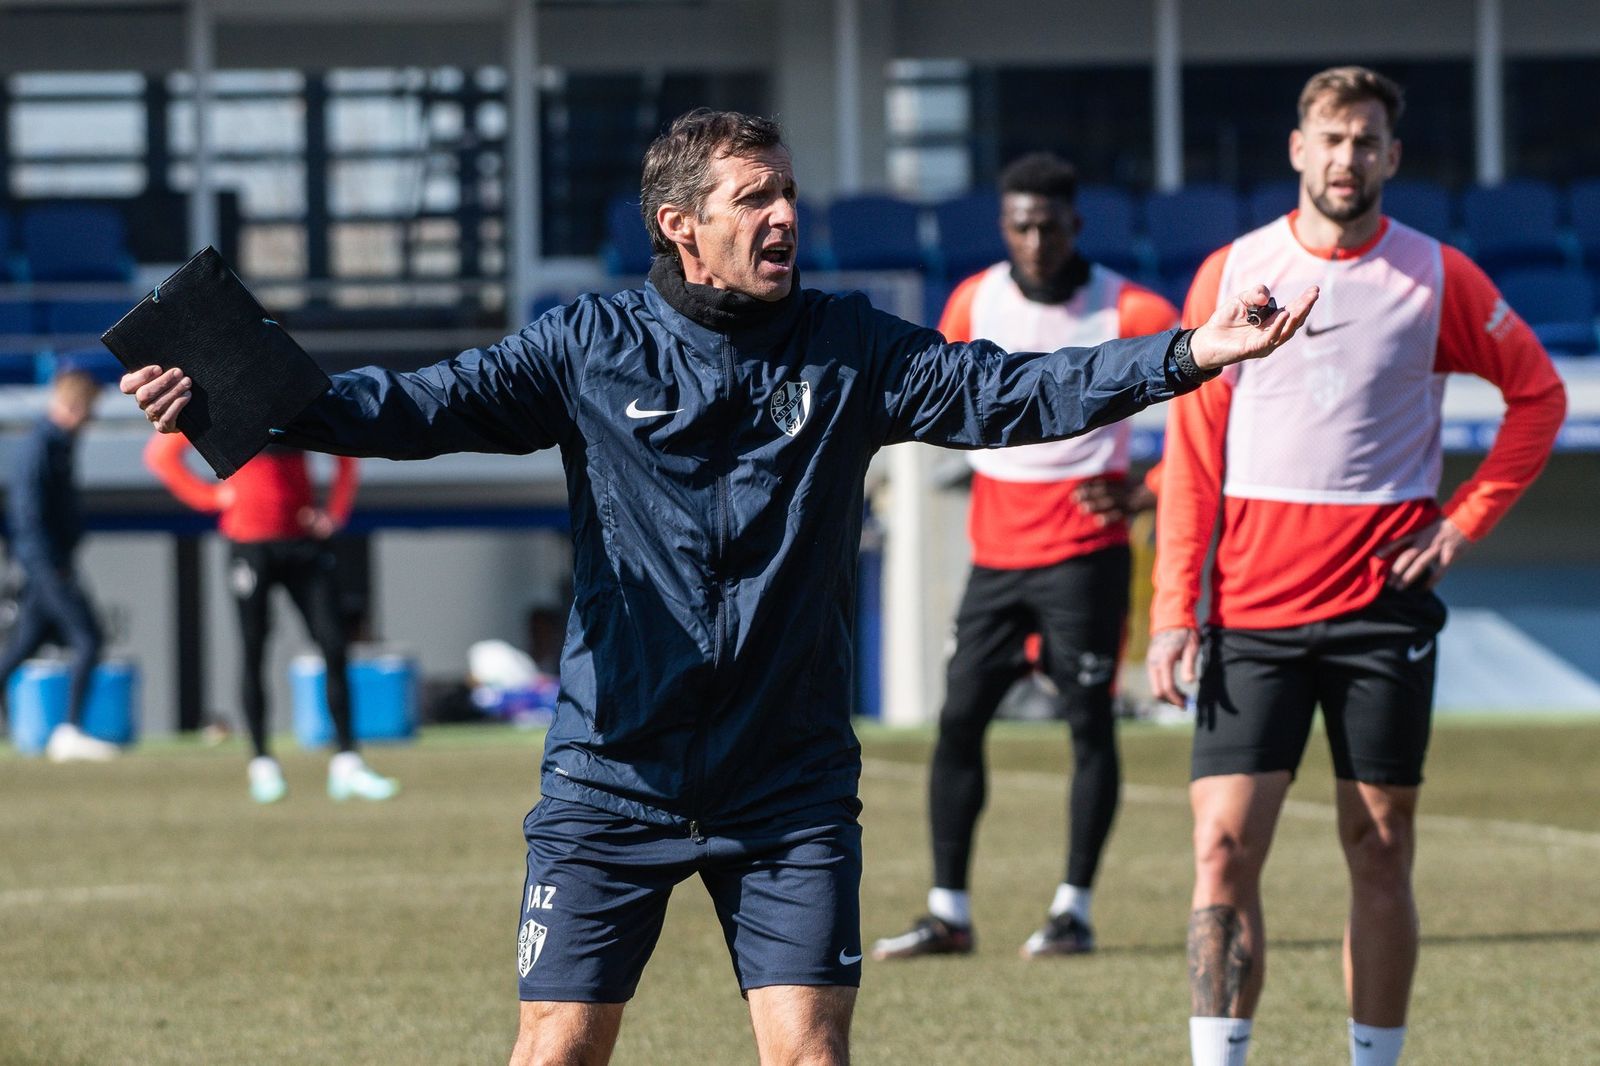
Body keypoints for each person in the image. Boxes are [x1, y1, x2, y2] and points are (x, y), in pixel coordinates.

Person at [125, 109, 1316, 1066]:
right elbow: (409, 408)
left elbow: (1011, 391)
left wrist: (1190, 353)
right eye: (755, 198)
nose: (785, 214)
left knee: (809, 1053)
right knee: (557, 1050)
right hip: (612, 774)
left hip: (788, 783)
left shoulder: (851, 347)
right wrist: (230, 397)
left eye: (786, 192)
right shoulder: (585, 345)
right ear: (680, 225)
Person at [1146, 67, 1566, 1066]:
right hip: (1250, 612)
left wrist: (1461, 525)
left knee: (1378, 847)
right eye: (1331, 139)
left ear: (1392, 157)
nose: (1347, 158)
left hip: (1383, 612)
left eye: (1366, 141)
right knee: (1220, 846)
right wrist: (1171, 608)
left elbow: (1539, 397)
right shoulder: (1232, 273)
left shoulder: (1439, 276)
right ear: (1298, 149)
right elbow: (1192, 455)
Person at [872, 152, 1177, 963]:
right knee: (958, 721)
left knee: (1090, 727)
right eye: (1020, 226)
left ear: (1076, 224)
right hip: (995, 558)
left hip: (1085, 555)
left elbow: (1213, 404)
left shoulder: (1134, 308)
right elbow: (940, 396)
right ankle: (948, 912)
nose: (1036, 241)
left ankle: (1073, 910)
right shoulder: (974, 299)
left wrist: (1151, 489)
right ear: (1003, 228)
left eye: (1049, 225)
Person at [143, 433, 397, 804]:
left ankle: (347, 761)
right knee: (254, 649)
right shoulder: (227, 409)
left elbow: (347, 453)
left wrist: (335, 511)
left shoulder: (293, 405)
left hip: (302, 542)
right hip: (250, 545)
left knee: (334, 644)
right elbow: (161, 456)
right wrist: (211, 497)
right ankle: (262, 761)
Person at [0, 366, 118, 762]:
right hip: (46, 565)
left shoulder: (56, 444)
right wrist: (49, 565)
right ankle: (69, 731)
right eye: (88, 411)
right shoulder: (41, 446)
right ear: (74, 406)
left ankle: (69, 731)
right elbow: (28, 515)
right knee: (88, 639)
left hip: (49, 562)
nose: (90, 420)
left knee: (24, 645)